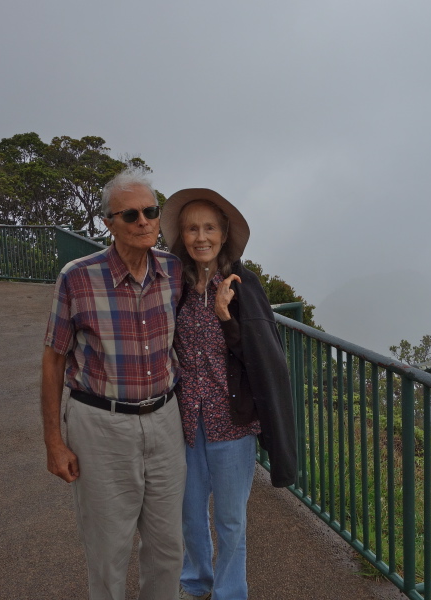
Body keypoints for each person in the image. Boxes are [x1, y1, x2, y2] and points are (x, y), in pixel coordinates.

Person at [41, 167, 185, 600]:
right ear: (108, 223)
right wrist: (53, 441)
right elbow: (52, 360)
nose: (143, 221)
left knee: (168, 548)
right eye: (130, 215)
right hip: (99, 425)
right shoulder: (78, 276)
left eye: (150, 211)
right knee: (107, 551)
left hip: (165, 421)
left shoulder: (174, 271)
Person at [160, 189, 297, 600]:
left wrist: (225, 318)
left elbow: (261, 356)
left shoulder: (243, 285)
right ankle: (196, 580)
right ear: (182, 236)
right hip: (186, 421)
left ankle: (229, 592)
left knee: (231, 519)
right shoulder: (177, 284)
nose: (200, 237)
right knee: (189, 512)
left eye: (209, 228)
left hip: (232, 424)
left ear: (223, 235)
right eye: (191, 229)